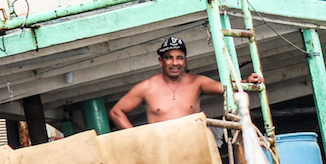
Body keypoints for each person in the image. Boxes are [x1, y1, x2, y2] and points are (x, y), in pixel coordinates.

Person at [110, 36, 258, 129]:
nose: (175, 63)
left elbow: (224, 87)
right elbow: (116, 112)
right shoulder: (147, 87)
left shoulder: (197, 82)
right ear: (161, 61)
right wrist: (137, 137)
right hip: (161, 148)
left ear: (185, 61)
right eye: (169, 58)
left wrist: (247, 82)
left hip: (193, 145)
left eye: (179, 58)